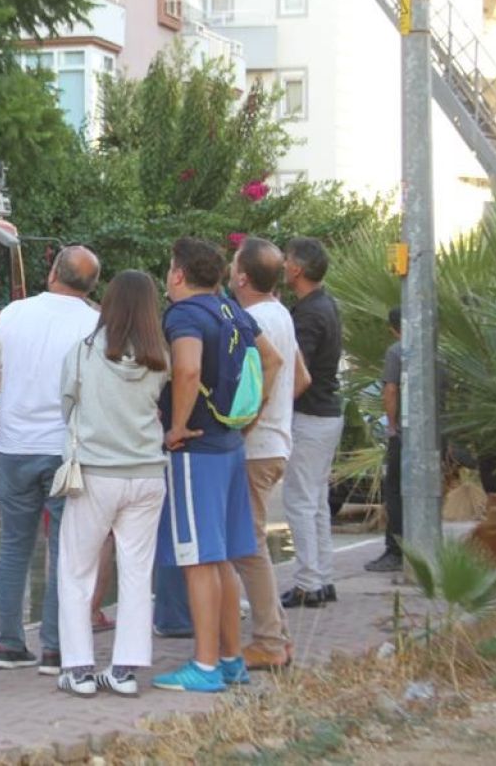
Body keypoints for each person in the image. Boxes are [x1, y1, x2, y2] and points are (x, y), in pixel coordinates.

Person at [151, 237, 280, 694]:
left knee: (198, 560)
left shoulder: (184, 314)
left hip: (196, 450)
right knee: (221, 557)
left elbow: (186, 369)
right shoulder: (231, 310)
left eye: (170, 268)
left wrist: (176, 428)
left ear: (179, 274)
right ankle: (230, 659)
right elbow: (272, 359)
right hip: (228, 444)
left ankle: (204, 666)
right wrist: (249, 417)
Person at [55, 270, 170, 697]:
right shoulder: (161, 356)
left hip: (96, 474)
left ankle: (80, 668)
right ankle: (124, 670)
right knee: (138, 572)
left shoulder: (83, 352)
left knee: (76, 569)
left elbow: (66, 404)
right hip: (146, 475)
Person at [0, 245, 102, 675]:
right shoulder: (94, 323)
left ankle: (8, 644)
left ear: (53, 270)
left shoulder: (14, 314)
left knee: (15, 547)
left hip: (15, 445)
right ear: (91, 285)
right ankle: (55, 648)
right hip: (66, 450)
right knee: (65, 550)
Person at [228, 238, 311, 669]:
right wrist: (277, 414)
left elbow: (277, 367)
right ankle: (277, 634)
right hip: (276, 443)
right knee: (250, 540)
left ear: (242, 276)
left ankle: (268, 642)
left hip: (255, 448)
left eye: (233, 263)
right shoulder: (281, 314)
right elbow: (301, 377)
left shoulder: (248, 319)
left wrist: (247, 425)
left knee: (248, 545)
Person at [280, 237, 345, 609]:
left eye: (287, 259)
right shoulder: (326, 305)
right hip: (327, 413)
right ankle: (323, 577)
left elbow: (297, 371)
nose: (283, 263)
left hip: (310, 414)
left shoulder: (308, 314)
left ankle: (308, 583)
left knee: (301, 500)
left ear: (297, 269)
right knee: (316, 499)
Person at [366, 306, 405, 573]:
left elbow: (390, 391)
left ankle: (396, 550)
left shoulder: (396, 351)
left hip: (404, 432)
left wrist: (392, 425)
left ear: (393, 328)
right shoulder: (439, 350)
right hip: (435, 432)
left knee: (395, 490)